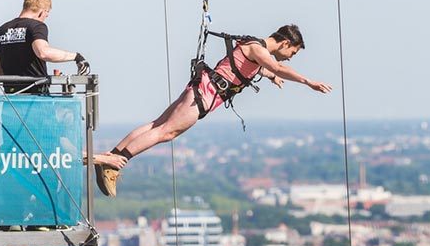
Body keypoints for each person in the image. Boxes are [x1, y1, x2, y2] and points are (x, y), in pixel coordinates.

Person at [94, 24, 331, 197]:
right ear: (286, 43)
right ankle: (115, 161)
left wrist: (269, 77)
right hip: (204, 95)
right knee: (165, 132)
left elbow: (251, 68)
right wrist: (308, 81)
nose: (290, 58)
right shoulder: (259, 49)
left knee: (157, 125)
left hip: (200, 89)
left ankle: (113, 155)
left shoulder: (254, 49)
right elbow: (277, 67)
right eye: (293, 52)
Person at [0, 0, 90, 230]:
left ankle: (12, 217)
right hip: (37, 105)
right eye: (46, 15)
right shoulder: (35, 26)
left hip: (12, 104)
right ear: (42, 11)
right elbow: (43, 52)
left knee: (15, 159)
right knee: (47, 159)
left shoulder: (0, 32)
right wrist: (75, 56)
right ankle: (42, 218)